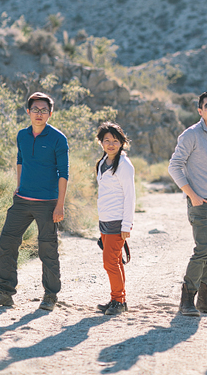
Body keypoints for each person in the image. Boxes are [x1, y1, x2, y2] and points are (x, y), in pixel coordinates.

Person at [0, 92, 69, 311]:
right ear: (28, 111)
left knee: (47, 250)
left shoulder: (58, 138)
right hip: (22, 201)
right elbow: (20, 160)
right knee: (6, 245)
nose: (39, 114)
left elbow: (63, 173)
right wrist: (18, 186)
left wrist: (60, 204)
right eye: (35, 109)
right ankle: (5, 293)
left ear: (50, 113)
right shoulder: (22, 135)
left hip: (48, 203)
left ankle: (50, 296)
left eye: (44, 110)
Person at [168, 90, 207, 316]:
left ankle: (205, 301)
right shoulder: (190, 135)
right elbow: (174, 166)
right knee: (202, 250)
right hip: (199, 203)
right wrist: (191, 195)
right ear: (200, 110)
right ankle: (186, 300)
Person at [95, 122, 135, 316]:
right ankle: (117, 300)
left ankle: (118, 301)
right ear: (101, 142)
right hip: (105, 219)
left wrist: (127, 225)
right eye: (107, 140)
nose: (111, 144)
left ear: (122, 143)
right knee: (115, 261)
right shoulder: (103, 162)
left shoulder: (124, 165)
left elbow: (130, 196)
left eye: (115, 141)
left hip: (117, 221)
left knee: (110, 263)